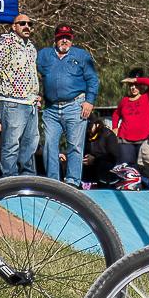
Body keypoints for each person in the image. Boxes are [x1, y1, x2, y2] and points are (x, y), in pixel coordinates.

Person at [37, 24, 98, 188]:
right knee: (49, 144)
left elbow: (92, 79)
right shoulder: (44, 55)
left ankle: (72, 181)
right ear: (55, 39)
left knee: (75, 145)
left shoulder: (82, 55)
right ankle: (53, 182)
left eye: (68, 37)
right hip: (50, 108)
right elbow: (34, 73)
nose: (64, 40)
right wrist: (36, 93)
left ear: (72, 39)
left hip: (75, 105)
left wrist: (90, 101)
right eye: (61, 37)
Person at [0, 13, 40, 177]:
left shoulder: (31, 47)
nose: (27, 27)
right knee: (11, 144)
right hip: (12, 102)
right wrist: (0, 89)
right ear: (14, 26)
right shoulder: (5, 44)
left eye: (29, 24)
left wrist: (35, 94)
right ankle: (9, 180)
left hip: (31, 103)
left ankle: (28, 179)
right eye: (22, 23)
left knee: (30, 144)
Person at [111, 69, 149, 165]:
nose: (133, 88)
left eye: (136, 85)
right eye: (131, 85)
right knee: (128, 169)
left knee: (145, 168)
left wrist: (135, 80)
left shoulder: (148, 97)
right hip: (125, 140)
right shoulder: (124, 100)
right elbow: (116, 114)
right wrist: (115, 127)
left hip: (146, 140)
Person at [82, 115, 119, 185]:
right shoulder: (84, 135)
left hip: (104, 167)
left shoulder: (108, 135)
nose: (87, 130)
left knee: (103, 165)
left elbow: (113, 157)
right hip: (87, 165)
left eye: (89, 127)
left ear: (97, 125)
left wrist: (95, 159)